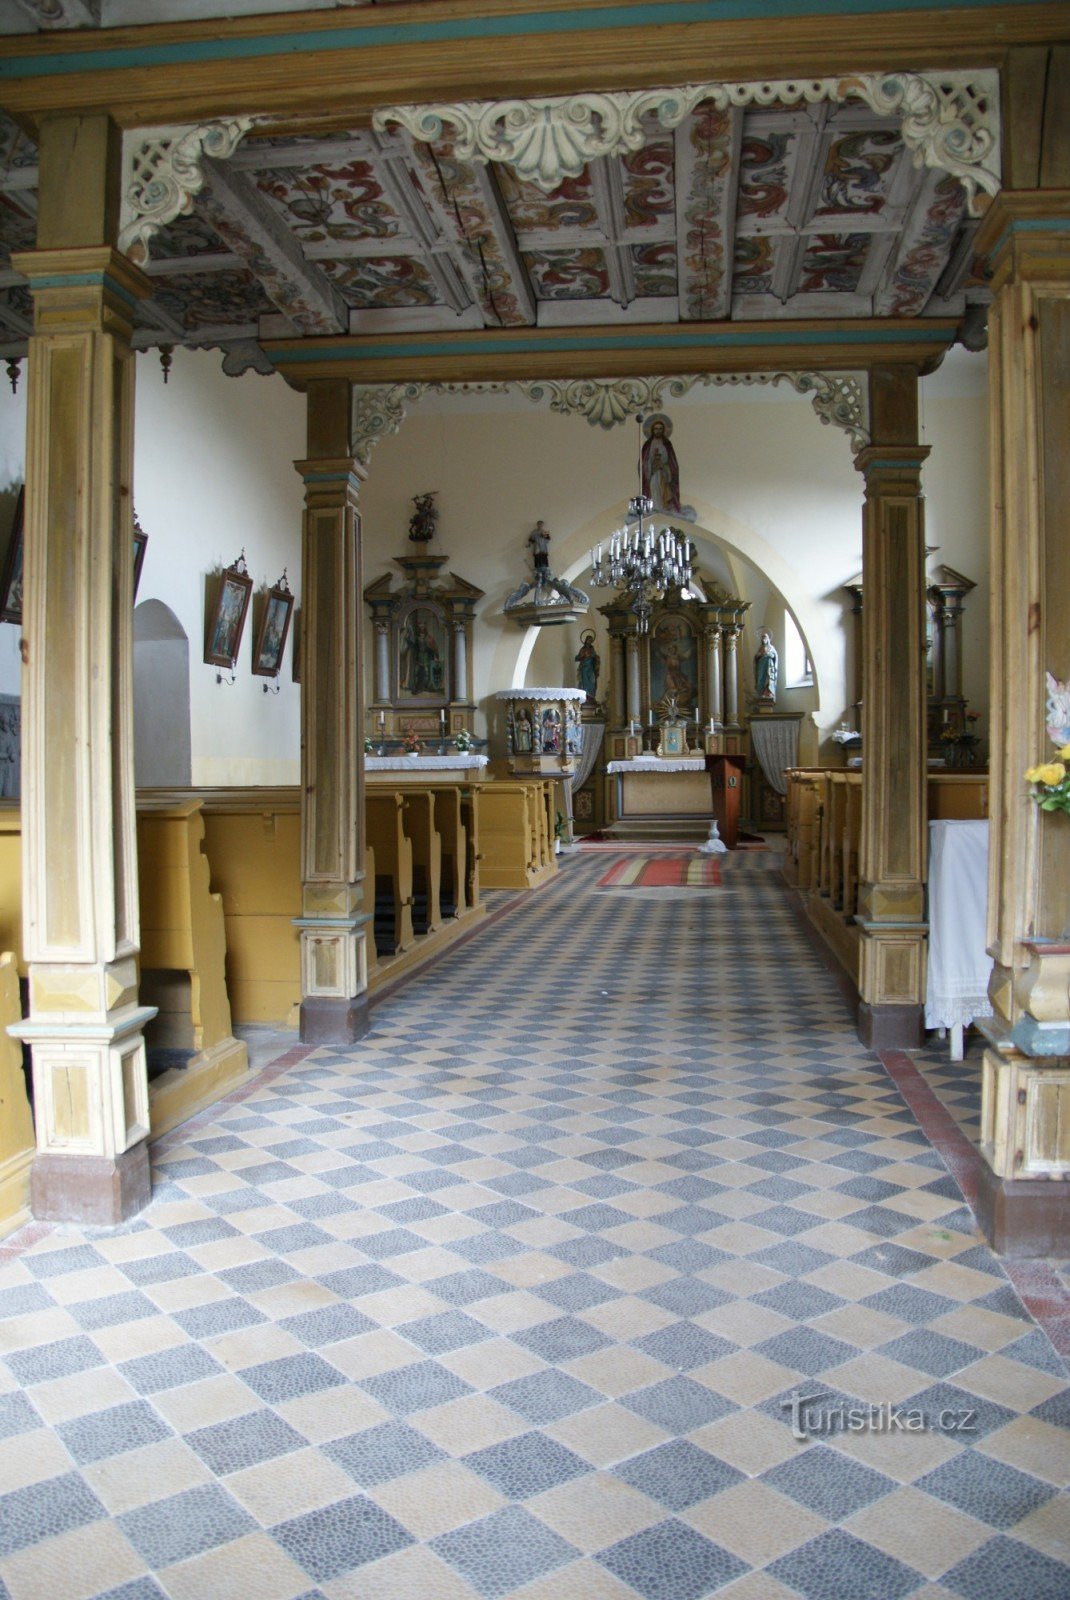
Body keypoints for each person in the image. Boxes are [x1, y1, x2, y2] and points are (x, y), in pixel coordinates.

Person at [640, 413, 681, 514]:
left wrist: (664, 466)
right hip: (652, 471)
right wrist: (651, 463)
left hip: (664, 471)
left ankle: (664, 507)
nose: (658, 431)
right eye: (656, 429)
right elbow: (643, 461)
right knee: (654, 487)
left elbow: (672, 462)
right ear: (652, 430)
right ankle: (654, 507)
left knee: (663, 489)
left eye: (660, 429)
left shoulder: (667, 444)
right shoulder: (648, 445)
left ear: (663, 430)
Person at [755, 628, 778, 701]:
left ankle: (768, 693)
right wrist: (759, 655)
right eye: (762, 638)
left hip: (769, 665)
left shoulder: (771, 647)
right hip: (761, 666)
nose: (763, 639)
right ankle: (762, 692)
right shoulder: (760, 648)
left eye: (764, 638)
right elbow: (756, 657)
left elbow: (774, 656)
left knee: (769, 678)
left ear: (768, 639)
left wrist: (767, 654)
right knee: (761, 678)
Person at [575, 630, 599, 700]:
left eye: (591, 640)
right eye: (589, 640)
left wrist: (594, 657)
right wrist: (581, 656)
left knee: (592, 681)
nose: (590, 641)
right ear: (586, 641)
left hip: (591, 667)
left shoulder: (592, 649)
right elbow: (577, 658)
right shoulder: (583, 649)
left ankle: (591, 696)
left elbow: (596, 657)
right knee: (584, 683)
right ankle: (586, 696)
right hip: (584, 668)